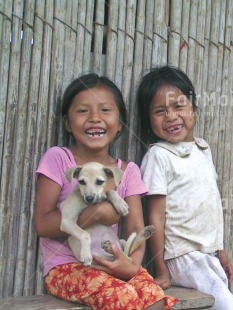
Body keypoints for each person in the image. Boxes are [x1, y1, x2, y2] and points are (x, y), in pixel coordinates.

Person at [34, 73, 178, 310]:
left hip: (116, 261)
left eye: (105, 110)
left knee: (155, 296)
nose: (94, 118)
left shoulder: (127, 171)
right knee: (124, 297)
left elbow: (135, 228)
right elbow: (42, 224)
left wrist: (132, 265)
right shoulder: (59, 159)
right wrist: (96, 214)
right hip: (66, 268)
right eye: (82, 111)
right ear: (68, 123)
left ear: (120, 124)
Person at [138, 66, 233, 310]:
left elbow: (212, 205)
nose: (171, 116)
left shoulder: (203, 149)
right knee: (229, 306)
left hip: (206, 255)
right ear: (148, 119)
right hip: (182, 256)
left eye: (178, 106)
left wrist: (220, 250)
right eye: (160, 111)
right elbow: (155, 216)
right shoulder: (159, 156)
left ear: (194, 108)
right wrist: (161, 269)